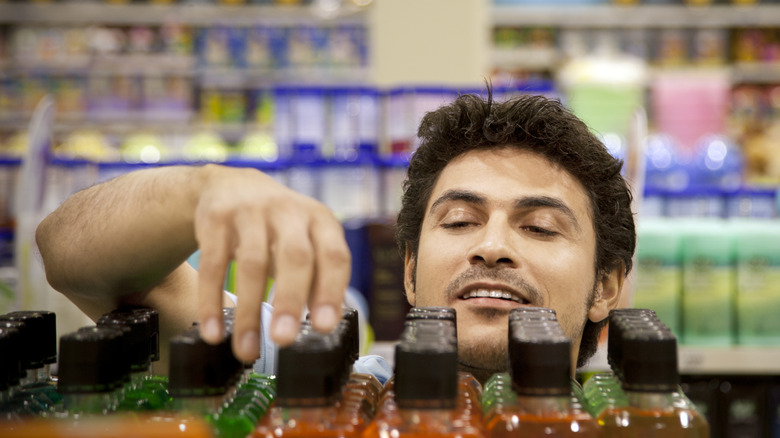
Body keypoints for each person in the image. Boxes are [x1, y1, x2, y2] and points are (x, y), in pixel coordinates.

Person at [35, 90, 635, 385]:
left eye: (539, 227)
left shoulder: (645, 425)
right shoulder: (311, 380)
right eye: (458, 221)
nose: (492, 245)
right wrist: (202, 190)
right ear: (408, 269)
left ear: (606, 285)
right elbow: (67, 257)